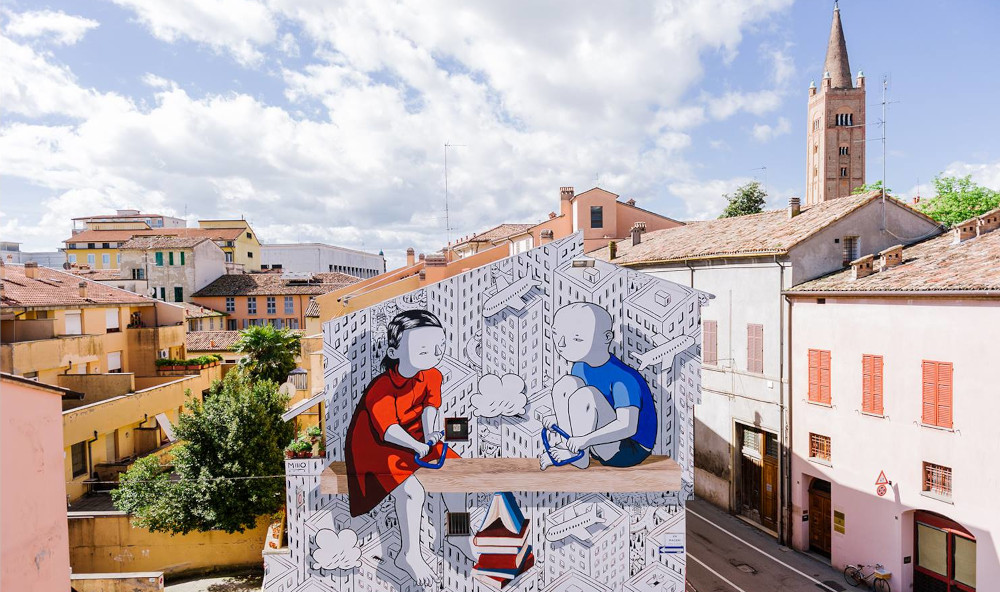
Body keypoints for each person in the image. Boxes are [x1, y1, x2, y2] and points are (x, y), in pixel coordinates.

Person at [344, 310, 470, 585]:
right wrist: (416, 445)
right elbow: (387, 429)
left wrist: (429, 436)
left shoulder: (432, 376)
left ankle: (459, 535)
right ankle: (409, 553)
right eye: (423, 348)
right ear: (394, 350)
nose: (433, 354)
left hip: (415, 441)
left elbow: (429, 407)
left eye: (438, 347)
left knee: (457, 476)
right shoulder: (382, 387)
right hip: (376, 446)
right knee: (412, 491)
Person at [540, 302, 656, 470]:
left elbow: (627, 426)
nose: (561, 344)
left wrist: (585, 440)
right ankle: (572, 450)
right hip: (598, 439)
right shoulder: (580, 366)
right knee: (565, 385)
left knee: (586, 394)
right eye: (557, 334)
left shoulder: (623, 378)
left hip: (629, 447)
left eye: (576, 338)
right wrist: (558, 419)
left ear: (607, 338)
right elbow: (584, 411)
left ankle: (577, 454)